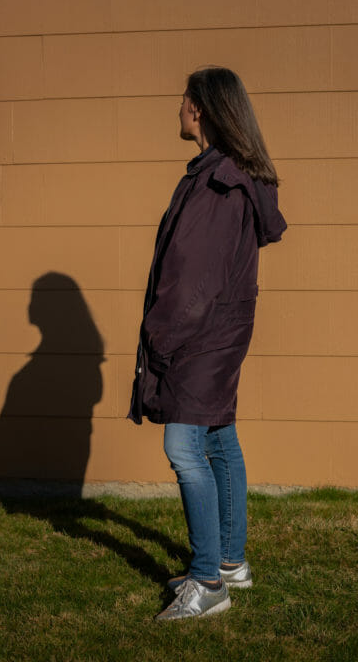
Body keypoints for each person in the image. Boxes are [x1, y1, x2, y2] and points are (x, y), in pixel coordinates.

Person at [127, 66, 287, 621]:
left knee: (183, 449)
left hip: (199, 335)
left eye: (183, 99)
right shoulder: (226, 173)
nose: (178, 107)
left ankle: (206, 582)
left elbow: (192, 273)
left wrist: (160, 340)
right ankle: (230, 564)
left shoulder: (220, 181)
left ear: (201, 110)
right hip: (219, 331)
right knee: (219, 439)